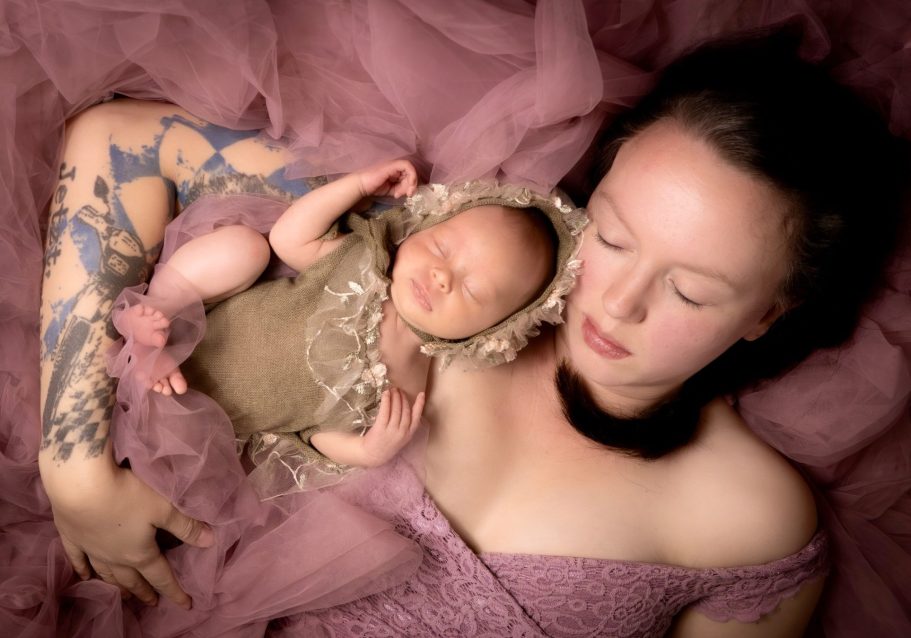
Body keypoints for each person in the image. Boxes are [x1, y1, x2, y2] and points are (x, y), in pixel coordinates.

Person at [30, 24, 908, 638]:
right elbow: (122, 141)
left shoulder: (749, 521)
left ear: (769, 313)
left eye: (688, 290)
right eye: (610, 237)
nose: (616, 303)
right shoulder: (453, 262)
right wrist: (75, 467)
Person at [114, 157, 578, 479]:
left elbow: (318, 432)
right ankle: (155, 312)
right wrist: (356, 186)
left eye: (473, 291)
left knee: (206, 472)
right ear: (426, 223)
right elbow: (290, 239)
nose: (442, 277)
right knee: (246, 249)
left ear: (490, 333)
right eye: (441, 247)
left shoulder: (408, 380)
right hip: (191, 325)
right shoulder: (363, 258)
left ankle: (151, 381)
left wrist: (365, 451)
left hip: (202, 428)